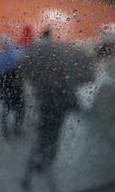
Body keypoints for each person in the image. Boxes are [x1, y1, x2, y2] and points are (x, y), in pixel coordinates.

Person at [20, 31, 94, 189]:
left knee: (41, 140)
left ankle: (29, 175)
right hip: (59, 112)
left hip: (46, 108)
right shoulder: (68, 78)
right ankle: (45, 164)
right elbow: (75, 98)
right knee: (52, 139)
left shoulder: (43, 73)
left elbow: (33, 82)